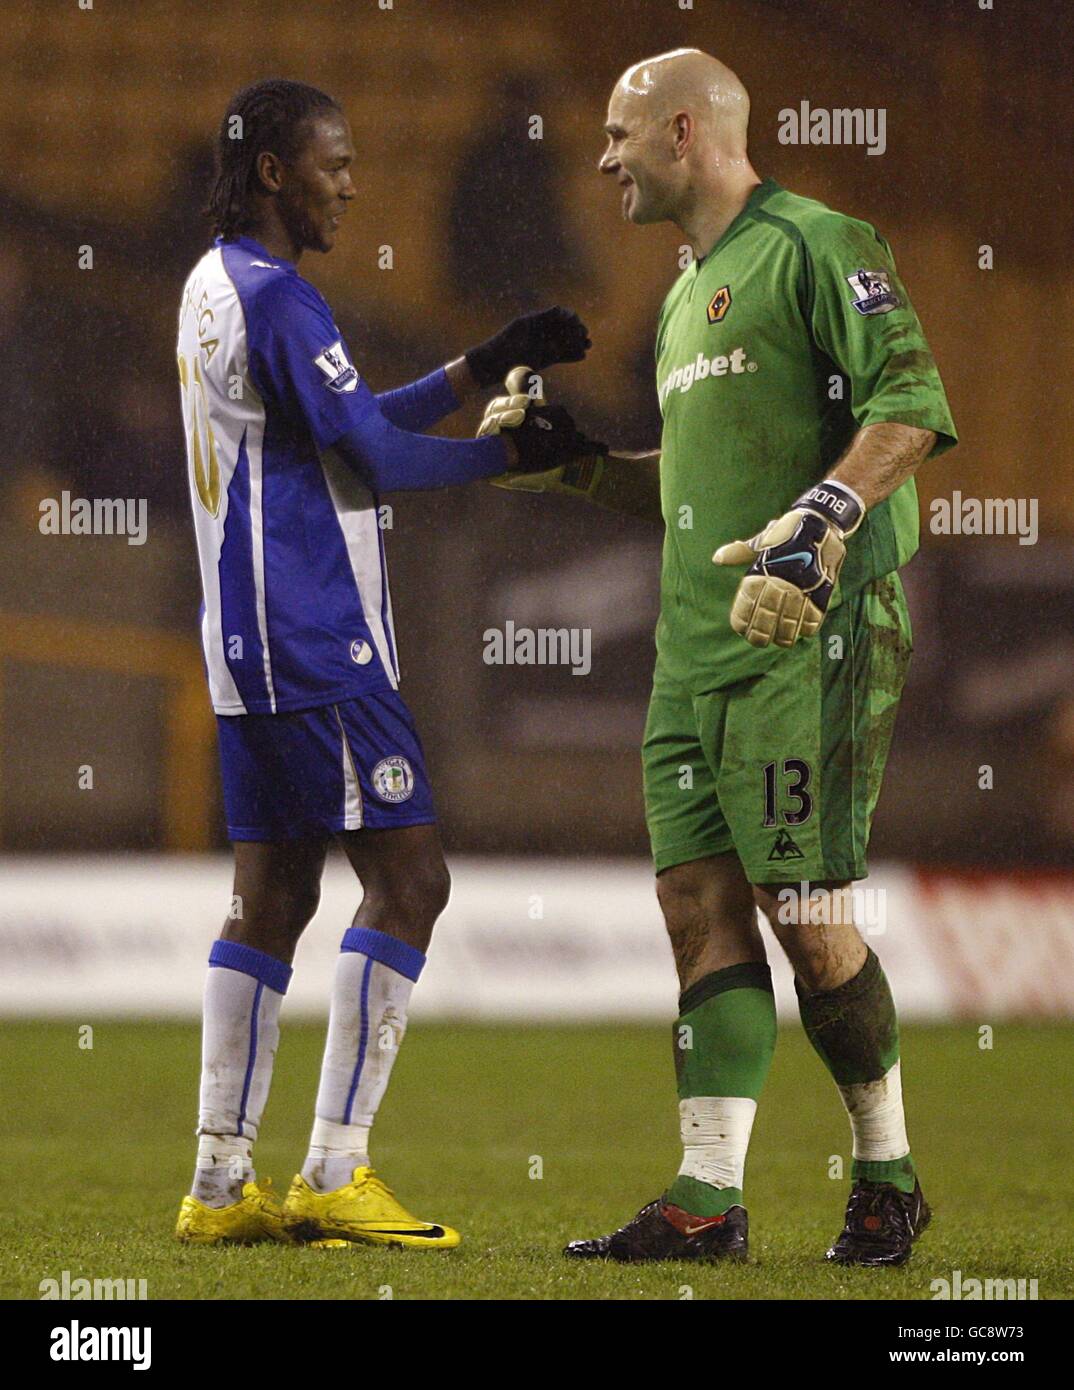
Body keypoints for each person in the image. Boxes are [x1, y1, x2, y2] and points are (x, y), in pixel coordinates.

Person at [495, 49, 957, 1266]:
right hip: (695, 654)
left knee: (804, 915)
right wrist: (573, 457)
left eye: (616, 136)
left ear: (683, 132)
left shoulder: (817, 241)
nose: (601, 161)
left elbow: (910, 401)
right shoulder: (683, 296)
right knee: (697, 908)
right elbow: (692, 493)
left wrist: (825, 522)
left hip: (810, 635)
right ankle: (707, 1200)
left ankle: (888, 1175)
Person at [174, 78, 599, 1248]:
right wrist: (514, 456)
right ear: (274, 171)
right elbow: (378, 457)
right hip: (319, 642)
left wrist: (482, 365)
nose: (352, 182)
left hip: (245, 644)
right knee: (412, 882)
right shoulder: (288, 301)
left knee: (272, 897)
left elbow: (346, 426)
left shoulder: (217, 286)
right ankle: (334, 1168)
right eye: (334, 161)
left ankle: (217, 1185)